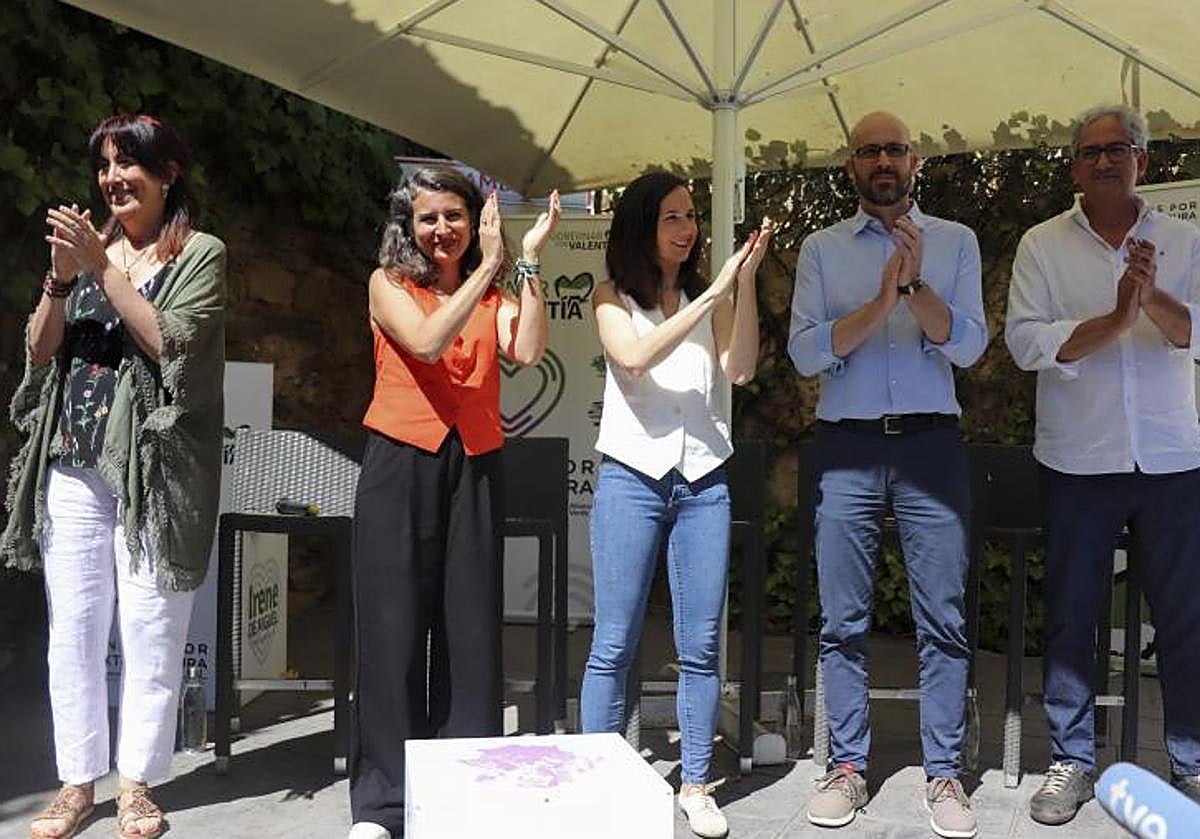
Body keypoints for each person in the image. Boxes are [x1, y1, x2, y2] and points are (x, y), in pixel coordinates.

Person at [2, 114, 226, 839]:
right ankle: (76, 783)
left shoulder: (200, 254)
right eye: (103, 165)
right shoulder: (85, 256)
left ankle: (136, 784)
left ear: (168, 174)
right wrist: (61, 282)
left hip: (155, 472)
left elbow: (174, 347)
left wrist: (100, 266)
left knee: (151, 628)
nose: (112, 178)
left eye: (128, 163)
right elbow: (40, 355)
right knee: (72, 629)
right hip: (73, 462)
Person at [789, 111, 987, 837]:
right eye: (869, 150)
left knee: (944, 617)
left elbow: (966, 346)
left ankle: (944, 775)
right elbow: (808, 353)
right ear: (851, 167)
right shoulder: (821, 249)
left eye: (894, 150)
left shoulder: (956, 242)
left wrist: (913, 286)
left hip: (931, 444)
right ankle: (846, 766)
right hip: (846, 447)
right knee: (842, 619)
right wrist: (880, 296)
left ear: (914, 162)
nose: (883, 161)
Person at [348, 165, 560, 839]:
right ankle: (383, 804)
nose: (441, 229)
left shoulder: (492, 293)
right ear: (409, 225)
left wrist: (524, 265)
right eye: (428, 217)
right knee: (393, 630)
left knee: (469, 633)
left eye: (454, 216)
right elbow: (428, 340)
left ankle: (463, 788)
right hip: (399, 462)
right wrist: (487, 271)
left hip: (474, 462)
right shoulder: (388, 284)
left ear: (476, 224)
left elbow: (526, 350)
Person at [1005, 104, 1200, 824]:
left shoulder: (1183, 241)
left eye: (1119, 148)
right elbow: (1027, 343)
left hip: (1173, 458)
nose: (1105, 161)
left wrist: (1152, 301)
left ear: (1143, 161)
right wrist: (1116, 321)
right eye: (1090, 152)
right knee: (1072, 617)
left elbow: (1197, 331)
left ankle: (1191, 758)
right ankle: (1071, 760)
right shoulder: (1041, 245)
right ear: (1076, 168)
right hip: (1077, 463)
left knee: (1185, 620)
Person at [580, 170, 772, 839]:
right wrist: (711, 294)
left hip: (704, 483)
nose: (688, 229)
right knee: (614, 642)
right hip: (633, 478)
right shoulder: (610, 295)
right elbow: (633, 358)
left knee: (700, 645)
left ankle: (695, 782)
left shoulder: (707, 295)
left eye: (691, 215)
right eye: (672, 217)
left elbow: (740, 368)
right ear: (642, 224)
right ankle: (597, 780)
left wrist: (740, 285)